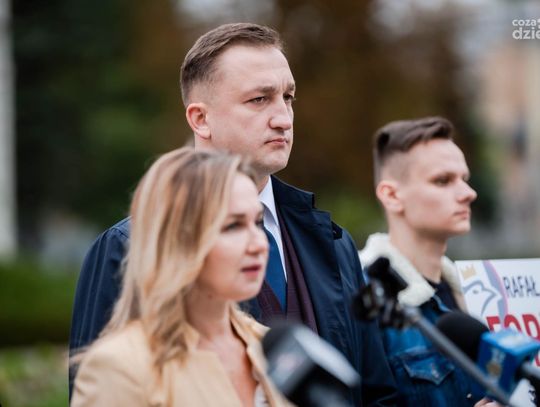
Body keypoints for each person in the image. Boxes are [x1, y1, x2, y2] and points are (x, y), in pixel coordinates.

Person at [70, 23, 397, 406]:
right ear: (200, 119)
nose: (283, 118)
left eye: (288, 97)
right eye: (259, 99)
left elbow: (377, 394)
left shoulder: (334, 243)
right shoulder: (129, 246)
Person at [71, 147, 294, 405]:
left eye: (257, 223)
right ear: (177, 241)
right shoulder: (121, 367)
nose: (258, 244)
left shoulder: (271, 346)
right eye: (233, 226)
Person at [359, 117, 496, 406]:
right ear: (392, 195)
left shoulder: (484, 291)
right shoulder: (362, 299)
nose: (468, 193)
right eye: (442, 180)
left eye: (464, 179)